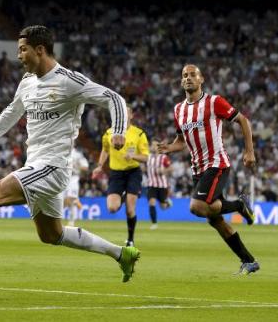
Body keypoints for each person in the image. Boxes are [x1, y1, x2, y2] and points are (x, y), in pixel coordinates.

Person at [0, 25, 140, 283]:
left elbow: (114, 98)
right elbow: (12, 111)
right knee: (51, 235)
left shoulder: (69, 81)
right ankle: (122, 254)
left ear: (40, 50)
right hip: (37, 165)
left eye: (23, 50)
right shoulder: (27, 82)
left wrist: (119, 130)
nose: (19, 56)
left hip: (53, 167)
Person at [158, 64, 259, 275]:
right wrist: (169, 148)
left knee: (196, 207)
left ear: (201, 79)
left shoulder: (214, 102)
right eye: (184, 75)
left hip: (217, 164)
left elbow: (243, 120)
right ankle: (249, 261)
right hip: (198, 170)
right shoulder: (179, 110)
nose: (188, 78)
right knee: (215, 219)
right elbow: (181, 141)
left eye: (192, 75)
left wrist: (249, 151)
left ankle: (239, 205)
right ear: (180, 81)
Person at [92, 106, 149, 247]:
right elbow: (105, 150)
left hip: (133, 173)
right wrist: (100, 165)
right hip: (116, 174)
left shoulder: (139, 134)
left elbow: (145, 158)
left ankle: (130, 239)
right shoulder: (108, 133)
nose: (123, 116)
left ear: (131, 116)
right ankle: (124, 195)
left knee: (130, 210)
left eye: (126, 113)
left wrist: (133, 156)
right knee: (112, 208)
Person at [146, 139, 173, 230]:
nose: (153, 147)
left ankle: (167, 202)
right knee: (151, 203)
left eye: (155, 145)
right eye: (152, 145)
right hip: (151, 184)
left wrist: (163, 170)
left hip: (162, 185)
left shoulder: (163, 157)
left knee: (163, 207)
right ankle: (154, 223)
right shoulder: (148, 157)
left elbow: (171, 168)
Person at [64, 145, 89, 226]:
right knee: (66, 201)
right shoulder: (61, 152)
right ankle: (76, 201)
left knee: (70, 199)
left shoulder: (77, 155)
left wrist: (78, 167)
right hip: (63, 178)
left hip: (73, 178)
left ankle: (71, 222)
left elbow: (85, 166)